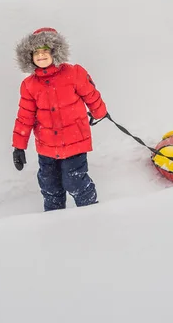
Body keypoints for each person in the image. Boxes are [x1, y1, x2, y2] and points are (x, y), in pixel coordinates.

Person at [12, 27, 108, 211]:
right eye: (36, 52)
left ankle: (92, 212)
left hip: (75, 141)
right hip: (46, 145)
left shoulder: (74, 73)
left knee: (75, 181)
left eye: (45, 51)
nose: (41, 56)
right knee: (50, 185)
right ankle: (54, 219)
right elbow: (25, 116)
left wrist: (99, 112)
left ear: (55, 51)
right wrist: (19, 146)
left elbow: (91, 94)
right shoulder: (29, 85)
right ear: (29, 56)